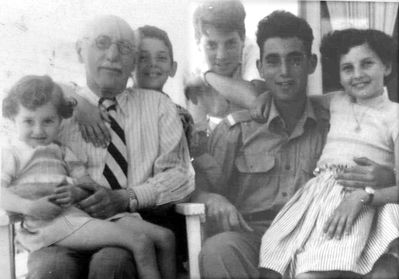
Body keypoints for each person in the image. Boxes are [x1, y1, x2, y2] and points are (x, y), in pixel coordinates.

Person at [192, 11, 396, 279]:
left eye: (295, 60)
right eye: (273, 62)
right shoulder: (237, 130)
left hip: (322, 233)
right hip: (255, 236)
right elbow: (198, 186)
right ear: (261, 67)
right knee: (219, 249)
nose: (285, 72)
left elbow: (373, 149)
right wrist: (211, 197)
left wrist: (386, 175)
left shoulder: (334, 121)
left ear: (311, 63)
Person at [26, 15, 194, 279]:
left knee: (112, 265)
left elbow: (179, 176)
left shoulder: (158, 106)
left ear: (133, 60)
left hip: (130, 227)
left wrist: (125, 197)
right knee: (52, 268)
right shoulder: (55, 108)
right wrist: (75, 101)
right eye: (102, 43)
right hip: (65, 228)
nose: (113, 55)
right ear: (81, 50)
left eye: (125, 48)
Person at [1, 75, 177, 279]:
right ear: (13, 118)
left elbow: (87, 185)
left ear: (60, 120)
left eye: (48, 121)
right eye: (28, 121)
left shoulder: (62, 151)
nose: (38, 130)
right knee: (140, 243)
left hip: (78, 216)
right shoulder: (11, 154)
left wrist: (76, 191)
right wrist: (27, 207)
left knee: (165, 237)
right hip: (49, 225)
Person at [259, 28, 399, 279]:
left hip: (366, 203)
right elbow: (286, 97)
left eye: (367, 64)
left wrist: (363, 197)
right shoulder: (336, 102)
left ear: (386, 67)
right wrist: (260, 95)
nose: (357, 75)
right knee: (278, 265)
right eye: (347, 68)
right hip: (317, 201)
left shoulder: (395, 116)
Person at [186, 0, 266, 136]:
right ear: (198, 42)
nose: (221, 55)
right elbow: (198, 139)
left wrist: (208, 75)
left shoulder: (254, 50)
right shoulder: (192, 68)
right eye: (211, 45)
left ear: (242, 38)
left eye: (230, 44)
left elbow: (254, 100)